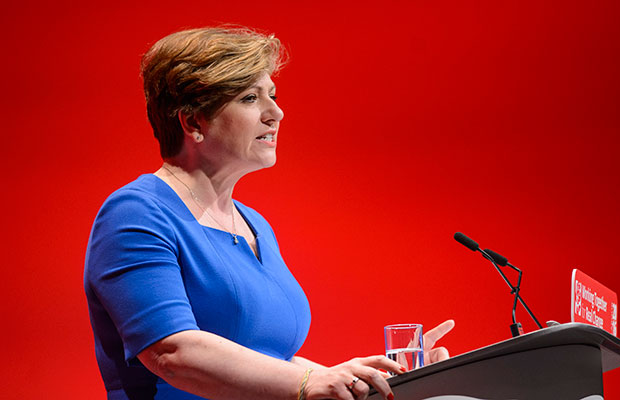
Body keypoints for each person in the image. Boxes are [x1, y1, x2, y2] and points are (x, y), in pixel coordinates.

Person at [84, 26, 454, 400]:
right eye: (250, 98)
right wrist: (309, 384)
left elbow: (270, 360)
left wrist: (368, 382)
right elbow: (172, 352)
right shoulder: (137, 213)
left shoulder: (254, 225)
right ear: (193, 121)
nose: (276, 112)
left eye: (272, 96)